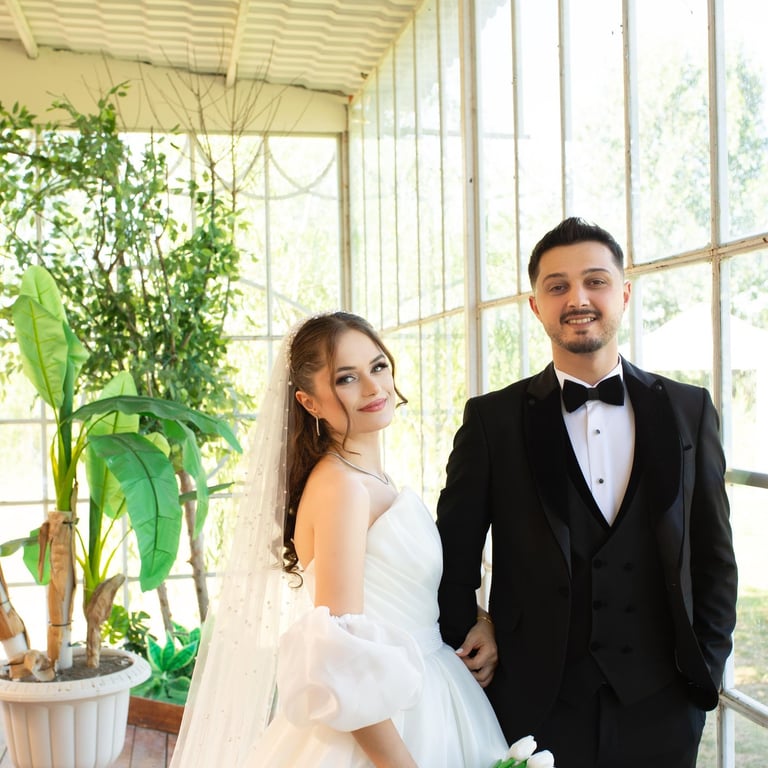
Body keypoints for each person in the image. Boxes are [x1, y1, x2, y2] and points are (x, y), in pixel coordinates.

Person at [436, 217, 738, 768]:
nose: (577, 298)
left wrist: (706, 670)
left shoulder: (688, 409)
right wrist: (472, 633)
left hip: (663, 707)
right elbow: (452, 557)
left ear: (624, 293)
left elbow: (715, 556)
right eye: (558, 286)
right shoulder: (492, 420)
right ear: (536, 306)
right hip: (534, 704)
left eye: (595, 281)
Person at [170, 311, 512, 767]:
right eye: (346, 378)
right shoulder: (343, 490)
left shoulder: (369, 478)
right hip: (390, 722)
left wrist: (480, 619)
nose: (373, 387)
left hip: (434, 692)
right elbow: (340, 653)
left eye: (378, 366)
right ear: (309, 402)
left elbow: (404, 592)